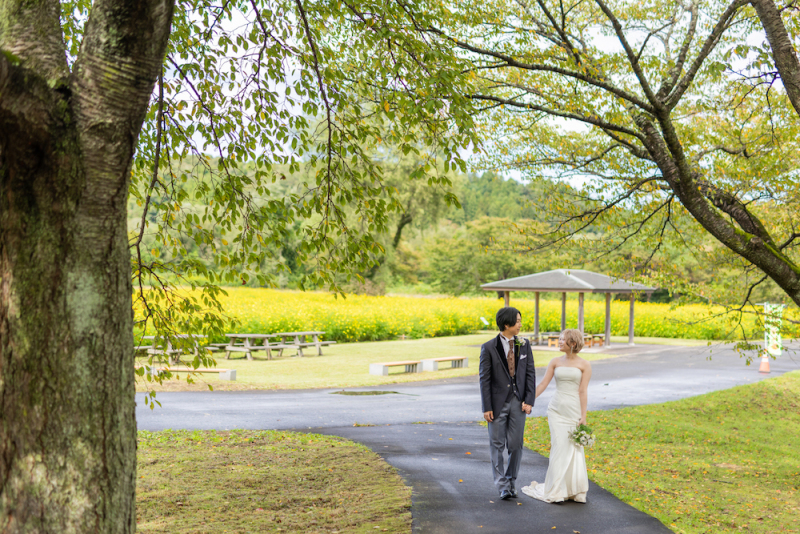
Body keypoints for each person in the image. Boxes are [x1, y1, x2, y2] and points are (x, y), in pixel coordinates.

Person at [522, 329, 592, 503]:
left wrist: (583, 416)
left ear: (573, 343)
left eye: (562, 339)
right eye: (559, 339)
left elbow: (583, 391)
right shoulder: (554, 362)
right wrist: (529, 401)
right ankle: (556, 490)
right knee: (559, 447)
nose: (559, 342)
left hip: (573, 411)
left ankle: (575, 490)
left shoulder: (585, 365)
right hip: (556, 411)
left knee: (574, 449)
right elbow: (543, 384)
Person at [479, 307, 537, 500]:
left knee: (515, 444)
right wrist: (486, 407)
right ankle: (502, 485)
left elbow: (530, 374)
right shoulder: (488, 347)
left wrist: (529, 400)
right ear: (507, 324)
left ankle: (511, 481)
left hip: (518, 403)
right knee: (496, 444)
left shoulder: (524, 344)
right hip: (496, 404)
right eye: (518, 321)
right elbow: (484, 379)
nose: (521, 324)